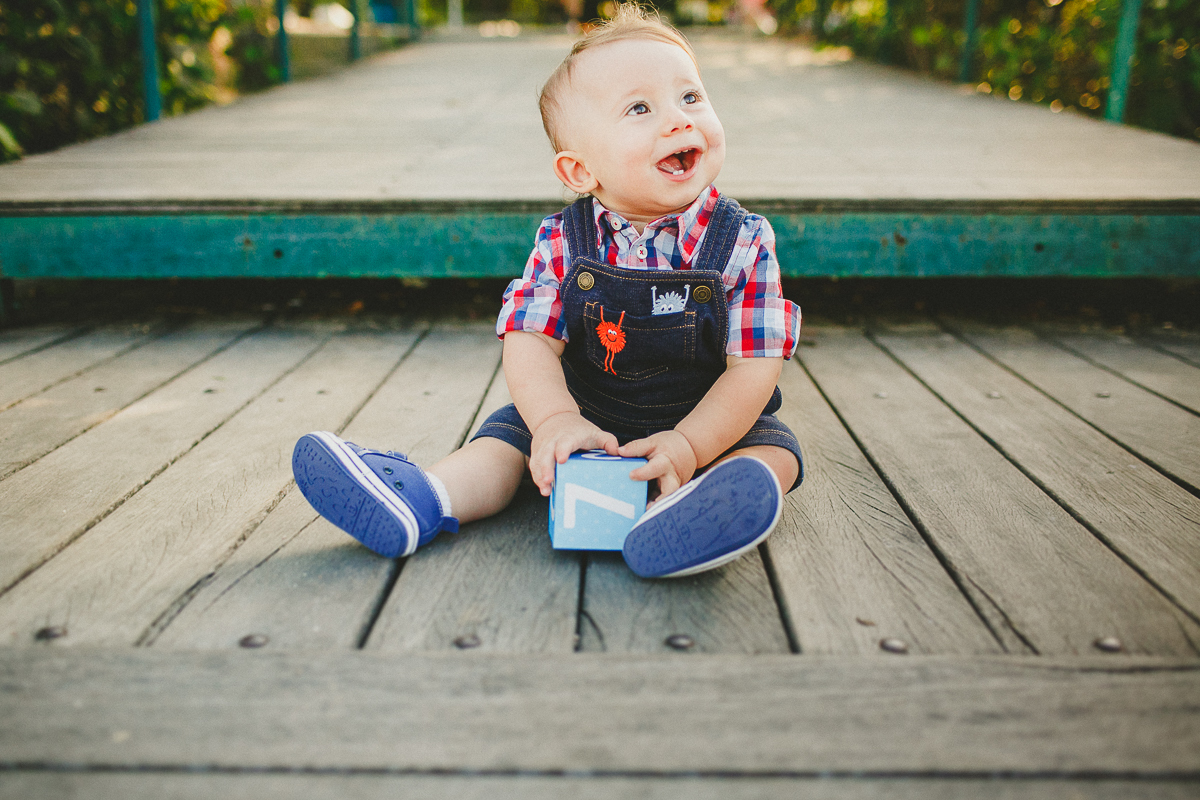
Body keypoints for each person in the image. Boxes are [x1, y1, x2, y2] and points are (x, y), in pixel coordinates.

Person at [291, 3, 803, 578]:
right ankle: (426, 498)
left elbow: (754, 366)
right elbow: (529, 337)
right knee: (504, 440)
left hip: (708, 418)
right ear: (580, 171)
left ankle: (697, 516)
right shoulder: (563, 240)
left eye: (691, 97)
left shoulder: (741, 240)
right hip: (586, 411)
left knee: (773, 453)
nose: (679, 120)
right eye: (640, 108)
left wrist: (688, 445)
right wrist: (556, 420)